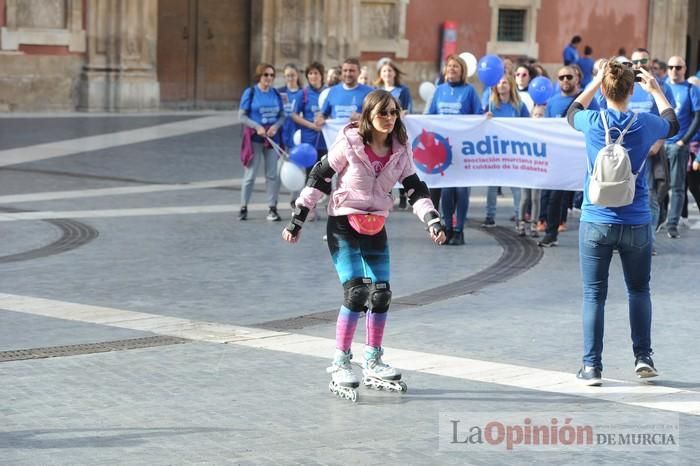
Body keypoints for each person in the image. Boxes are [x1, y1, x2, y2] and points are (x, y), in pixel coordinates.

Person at [282, 90, 447, 401]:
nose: (388, 119)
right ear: (369, 115)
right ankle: (340, 361)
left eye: (393, 113)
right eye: (382, 113)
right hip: (343, 223)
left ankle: (372, 360)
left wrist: (432, 220)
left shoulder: (400, 149)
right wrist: (299, 218)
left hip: (375, 225)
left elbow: (415, 188)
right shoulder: (350, 142)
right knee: (357, 292)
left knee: (381, 293)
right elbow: (320, 176)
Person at [566, 59, 678, 386]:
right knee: (639, 290)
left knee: (593, 294)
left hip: (596, 219)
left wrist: (594, 82)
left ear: (604, 87)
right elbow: (671, 122)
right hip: (637, 220)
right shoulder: (644, 123)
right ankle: (643, 357)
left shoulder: (591, 121)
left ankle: (591, 367)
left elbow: (571, 111)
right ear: (632, 89)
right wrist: (656, 89)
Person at [426, 54, 483, 245]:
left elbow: (478, 116)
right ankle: (448, 227)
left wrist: (487, 117)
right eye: (449, 66)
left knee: (461, 191)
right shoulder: (439, 90)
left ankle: (460, 230)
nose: (451, 69)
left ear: (462, 71)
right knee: (447, 192)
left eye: (456, 67)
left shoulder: (469, 91)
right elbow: (430, 116)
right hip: (443, 150)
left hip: (463, 150)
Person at [538, 65, 599, 247]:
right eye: (561, 77)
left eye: (569, 77)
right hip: (559, 158)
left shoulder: (588, 100)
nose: (565, 80)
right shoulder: (552, 102)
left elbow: (596, 123)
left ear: (577, 79)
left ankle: (600, 235)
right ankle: (551, 233)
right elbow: (546, 129)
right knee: (555, 197)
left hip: (583, 157)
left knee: (593, 196)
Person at [238, 63, 286, 222]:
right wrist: (257, 126)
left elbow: (282, 115)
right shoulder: (250, 92)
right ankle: (243, 207)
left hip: (271, 138)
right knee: (250, 175)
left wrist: (275, 127)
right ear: (259, 76)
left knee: (272, 175)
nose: (269, 78)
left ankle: (272, 208)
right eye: (266, 75)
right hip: (255, 138)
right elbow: (242, 116)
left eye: (272, 75)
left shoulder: (276, 94)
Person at [483, 74, 529, 228]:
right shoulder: (491, 104)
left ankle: (519, 215)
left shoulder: (519, 106)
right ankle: (490, 216)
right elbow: (480, 125)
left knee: (516, 186)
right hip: (495, 151)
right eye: (499, 82)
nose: (501, 85)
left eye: (504, 83)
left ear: (510, 86)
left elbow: (528, 126)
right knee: (492, 185)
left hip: (513, 152)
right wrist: (485, 118)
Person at [663, 56, 700, 238]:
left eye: (678, 67)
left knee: (677, 187)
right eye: (670, 67)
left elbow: (697, 118)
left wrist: (683, 141)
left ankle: (672, 224)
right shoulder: (661, 86)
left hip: (680, 145)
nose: (674, 70)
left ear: (684, 69)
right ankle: (660, 219)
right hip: (661, 144)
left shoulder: (691, 89)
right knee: (657, 186)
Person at [290, 62, 328, 216]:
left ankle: (328, 206)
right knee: (310, 176)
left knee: (326, 175)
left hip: (326, 140)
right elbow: (293, 115)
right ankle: (309, 209)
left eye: (316, 73)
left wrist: (325, 121)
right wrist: (312, 125)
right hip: (308, 142)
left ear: (321, 75)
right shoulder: (303, 93)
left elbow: (332, 113)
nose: (313, 76)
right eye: (310, 74)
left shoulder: (328, 92)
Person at [375, 60, 414, 209]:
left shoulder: (402, 90)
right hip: (381, 133)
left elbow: (408, 107)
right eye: (384, 71)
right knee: (384, 163)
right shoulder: (377, 90)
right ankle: (386, 194)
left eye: (390, 71)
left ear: (395, 73)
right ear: (380, 74)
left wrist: (403, 112)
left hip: (397, 130)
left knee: (400, 162)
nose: (387, 74)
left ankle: (404, 195)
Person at [316, 57, 373, 126]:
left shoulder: (369, 92)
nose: (348, 74)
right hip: (336, 134)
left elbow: (376, 116)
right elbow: (323, 114)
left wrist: (362, 117)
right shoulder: (333, 91)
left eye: (351, 71)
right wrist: (320, 119)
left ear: (359, 72)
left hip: (359, 135)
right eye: (345, 71)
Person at [519, 104, 545, 237]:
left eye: (541, 115)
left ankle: (534, 223)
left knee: (536, 198)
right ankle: (521, 222)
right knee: (525, 198)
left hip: (539, 168)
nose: (538, 118)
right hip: (526, 168)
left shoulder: (546, 133)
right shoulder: (526, 131)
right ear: (531, 116)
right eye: (536, 115)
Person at [278, 64, 304, 150]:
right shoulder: (279, 92)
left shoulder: (304, 92)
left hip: (298, 130)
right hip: (282, 130)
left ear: (297, 76)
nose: (290, 78)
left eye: (292, 75)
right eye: (287, 76)